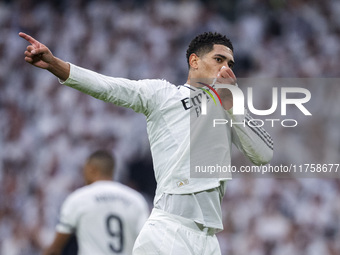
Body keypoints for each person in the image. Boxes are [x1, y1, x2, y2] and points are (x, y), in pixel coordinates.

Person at [20, 31, 273, 254]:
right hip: (170, 231)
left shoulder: (228, 111)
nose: (225, 69)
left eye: (229, 63)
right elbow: (110, 87)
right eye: (219, 60)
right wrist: (56, 65)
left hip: (208, 241)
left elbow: (263, 155)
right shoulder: (164, 95)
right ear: (194, 61)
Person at [43, 150, 150, 255]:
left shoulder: (78, 199)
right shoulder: (136, 200)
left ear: (91, 169)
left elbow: (54, 249)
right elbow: (147, 242)